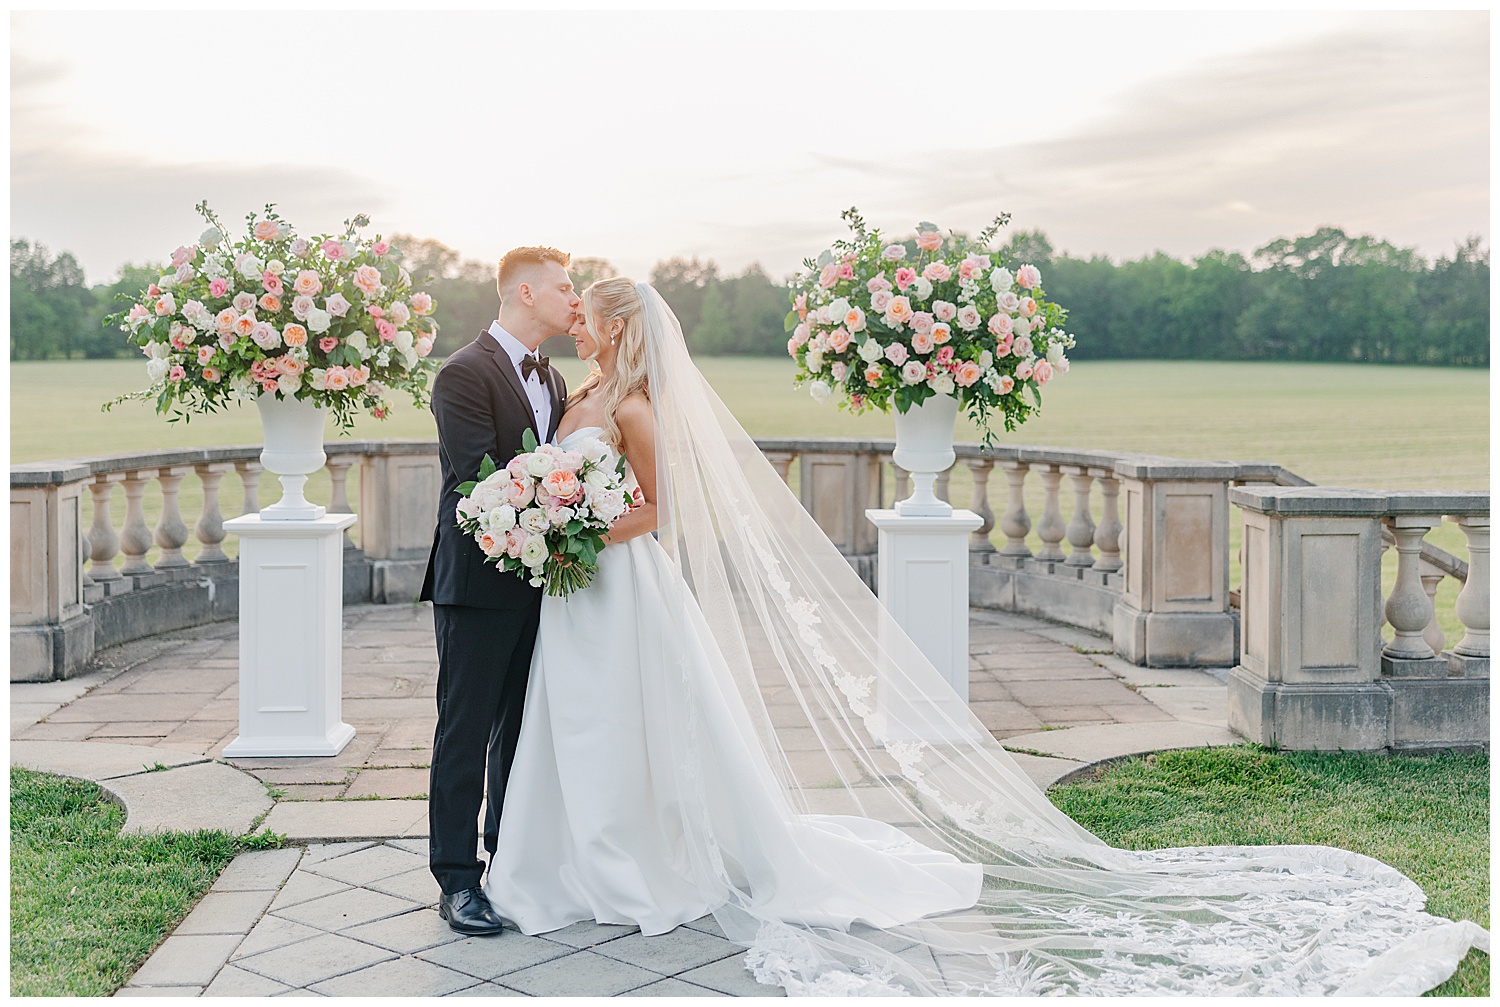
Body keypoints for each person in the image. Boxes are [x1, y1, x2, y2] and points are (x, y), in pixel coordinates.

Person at [481, 278, 1488, 995]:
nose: (577, 322)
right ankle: (573, 857)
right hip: (579, 591)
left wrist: (568, 526)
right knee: (580, 725)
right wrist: (543, 520)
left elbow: (661, 508)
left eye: (589, 314)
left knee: (632, 723)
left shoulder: (645, 404)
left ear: (616, 328)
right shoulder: (582, 397)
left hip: (616, 580)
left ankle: (636, 858)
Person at [418, 246, 575, 935]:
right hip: (478, 585)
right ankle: (456, 881)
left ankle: (506, 862)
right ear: (525, 291)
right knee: (466, 729)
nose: (574, 299)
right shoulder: (462, 371)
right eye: (565, 287)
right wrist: (561, 497)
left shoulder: (558, 380)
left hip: (542, 583)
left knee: (519, 730)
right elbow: (471, 479)